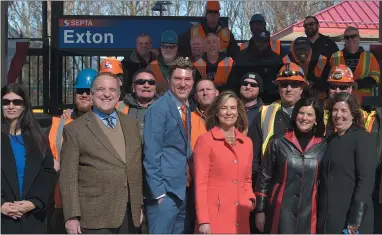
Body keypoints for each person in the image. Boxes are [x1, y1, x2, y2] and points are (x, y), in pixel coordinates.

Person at [59, 73, 143, 234]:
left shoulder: (132, 124)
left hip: (129, 215)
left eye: (112, 89)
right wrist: (71, 216)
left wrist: (138, 205)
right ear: (91, 94)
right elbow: (68, 177)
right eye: (101, 89)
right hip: (94, 217)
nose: (106, 94)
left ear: (118, 95)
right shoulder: (75, 129)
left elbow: (136, 168)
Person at [254, 97, 327, 234]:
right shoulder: (278, 141)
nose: (304, 118)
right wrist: (260, 209)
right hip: (280, 211)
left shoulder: (323, 145)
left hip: (310, 213)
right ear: (295, 115)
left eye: (309, 114)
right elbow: (264, 177)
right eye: (301, 113)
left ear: (316, 119)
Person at [143, 57, 194, 234]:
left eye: (187, 79)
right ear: (168, 81)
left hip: (180, 192)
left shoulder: (184, 109)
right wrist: (159, 194)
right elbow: (151, 154)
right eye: (177, 79)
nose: (183, 84)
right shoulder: (159, 109)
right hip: (164, 196)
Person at [193, 91, 255, 234]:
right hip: (215, 216)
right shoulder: (205, 141)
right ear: (216, 112)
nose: (229, 112)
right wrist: (203, 220)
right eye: (224, 108)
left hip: (241, 215)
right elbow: (200, 184)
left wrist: (250, 199)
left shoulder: (247, 143)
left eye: (232, 108)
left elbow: (247, 179)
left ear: (238, 112)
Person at [317, 92, 376, 234]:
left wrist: (356, 218)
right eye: (335, 110)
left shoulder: (363, 138)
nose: (338, 115)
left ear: (353, 114)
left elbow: (366, 181)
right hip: (329, 218)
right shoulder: (330, 140)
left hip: (352, 221)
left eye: (344, 111)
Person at [1, 83, 57, 233]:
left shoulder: (38, 138)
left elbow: (47, 173)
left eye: (17, 102)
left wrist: (34, 202)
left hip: (32, 218)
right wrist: (1, 205)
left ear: (24, 106)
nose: (11, 106)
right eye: (6, 102)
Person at [47, 68, 97, 234]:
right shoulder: (58, 125)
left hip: (95, 204)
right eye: (80, 91)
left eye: (89, 91)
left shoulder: (109, 124)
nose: (84, 95)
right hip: (62, 204)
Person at [248, 62, 307, 184]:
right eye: (284, 85)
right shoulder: (265, 113)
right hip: (271, 182)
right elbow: (253, 155)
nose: (289, 89)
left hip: (305, 183)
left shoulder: (314, 112)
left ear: (301, 88)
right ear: (278, 87)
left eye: (294, 84)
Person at [184, 78, 219, 234]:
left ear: (217, 93)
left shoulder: (227, 118)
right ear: (196, 96)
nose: (205, 93)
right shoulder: (187, 118)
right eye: (200, 90)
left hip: (219, 185)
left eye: (208, 89)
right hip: (193, 185)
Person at [329, 26, 380, 105]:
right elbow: (329, 79)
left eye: (353, 36)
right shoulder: (335, 56)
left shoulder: (369, 56)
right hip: (341, 101)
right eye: (347, 37)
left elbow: (376, 78)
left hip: (364, 102)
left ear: (359, 38)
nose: (350, 39)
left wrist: (358, 84)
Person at [234, 30, 282, 102]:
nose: (261, 44)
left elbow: (279, 79)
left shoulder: (275, 58)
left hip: (269, 98)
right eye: (259, 41)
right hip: (245, 95)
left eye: (265, 41)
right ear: (253, 41)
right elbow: (235, 78)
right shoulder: (242, 56)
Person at [323, 65, 369, 134]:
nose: (337, 91)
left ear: (350, 89)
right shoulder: (320, 114)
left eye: (342, 87)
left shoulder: (363, 117)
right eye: (333, 86)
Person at [115, 69, 158, 135]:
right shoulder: (118, 107)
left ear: (155, 87)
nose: (146, 85)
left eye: (151, 82)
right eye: (141, 82)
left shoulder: (166, 108)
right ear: (133, 87)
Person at [147, 30, 179, 96]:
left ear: (177, 48)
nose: (168, 50)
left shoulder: (184, 67)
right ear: (161, 48)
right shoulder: (151, 67)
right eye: (165, 47)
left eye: (172, 47)